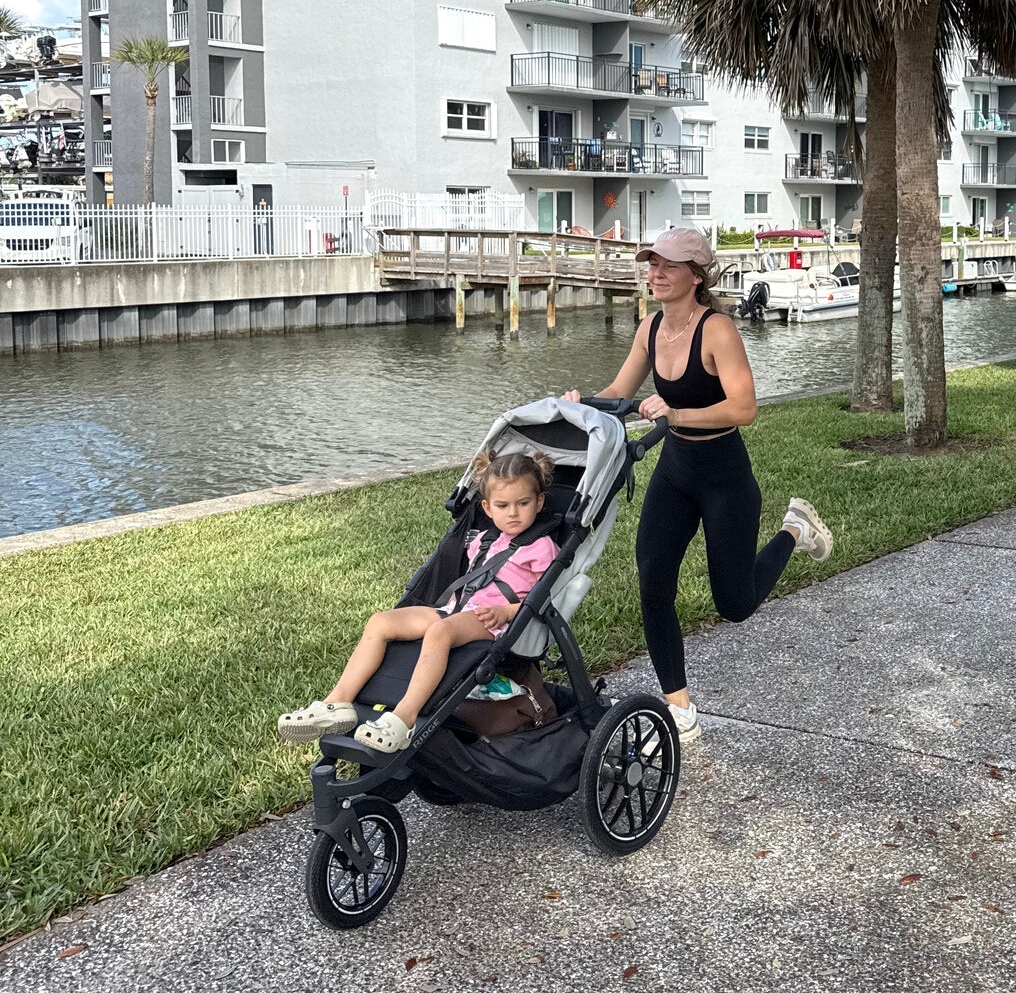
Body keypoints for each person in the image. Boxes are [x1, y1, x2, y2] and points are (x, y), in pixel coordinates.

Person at [565, 226, 832, 742]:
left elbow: (744, 407)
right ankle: (680, 707)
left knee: (735, 605)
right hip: (676, 470)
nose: (656, 273)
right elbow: (620, 390)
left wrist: (676, 412)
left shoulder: (717, 330)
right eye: (652, 264)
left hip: (724, 476)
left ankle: (795, 528)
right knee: (653, 582)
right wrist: (582, 405)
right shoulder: (650, 327)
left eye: (668, 265)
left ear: (695, 275)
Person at [276, 451, 560, 753]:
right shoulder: (484, 540)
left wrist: (507, 611)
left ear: (539, 502)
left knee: (440, 632)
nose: (513, 513)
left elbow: (547, 598)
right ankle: (338, 702)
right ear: (487, 508)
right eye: (503, 506)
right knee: (381, 622)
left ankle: (404, 717)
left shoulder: (542, 547)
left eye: (523, 503)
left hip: (495, 622)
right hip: (458, 610)